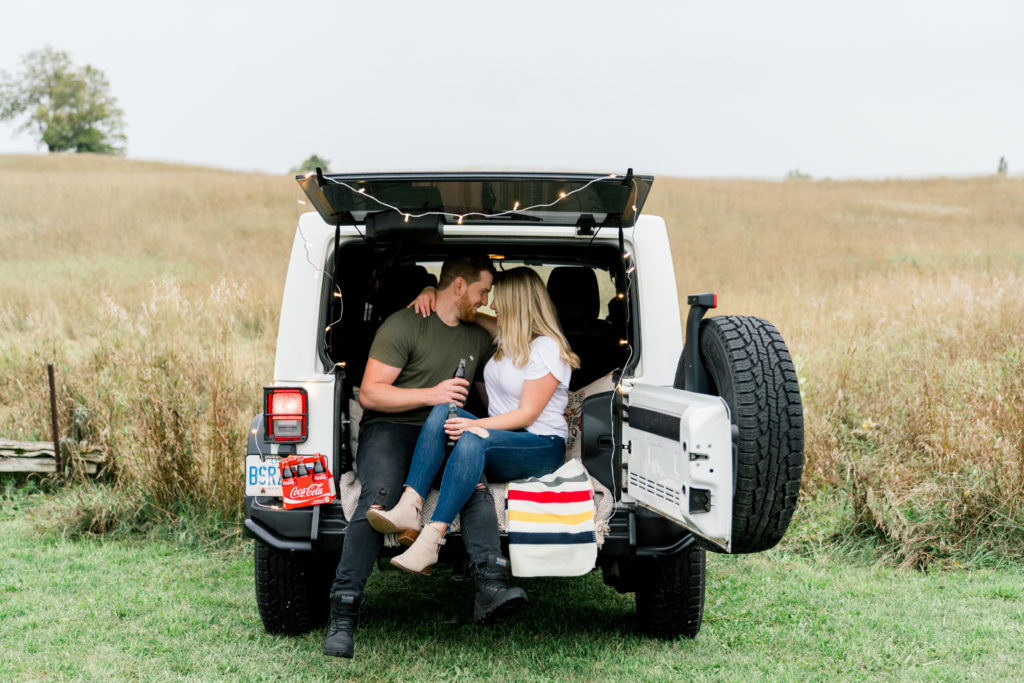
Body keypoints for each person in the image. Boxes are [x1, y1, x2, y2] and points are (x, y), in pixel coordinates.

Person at [323, 255, 527, 659]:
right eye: (482, 291)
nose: (486, 300)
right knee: (377, 496)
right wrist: (431, 395)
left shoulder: (477, 332)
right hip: (391, 427)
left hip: (449, 427)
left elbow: (514, 329)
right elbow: (370, 393)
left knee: (475, 483)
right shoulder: (405, 324)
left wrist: (433, 289)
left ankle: (490, 587)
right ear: (460, 287)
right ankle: (344, 612)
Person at [366, 266, 581, 577]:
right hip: (502, 440)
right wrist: (432, 294)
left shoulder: (547, 348)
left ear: (515, 303)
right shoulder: (506, 333)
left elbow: (527, 415)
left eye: (497, 300)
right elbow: (464, 311)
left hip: (540, 446)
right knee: (443, 410)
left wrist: (474, 425)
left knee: (470, 436)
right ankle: (410, 508)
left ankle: (431, 540)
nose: (491, 305)